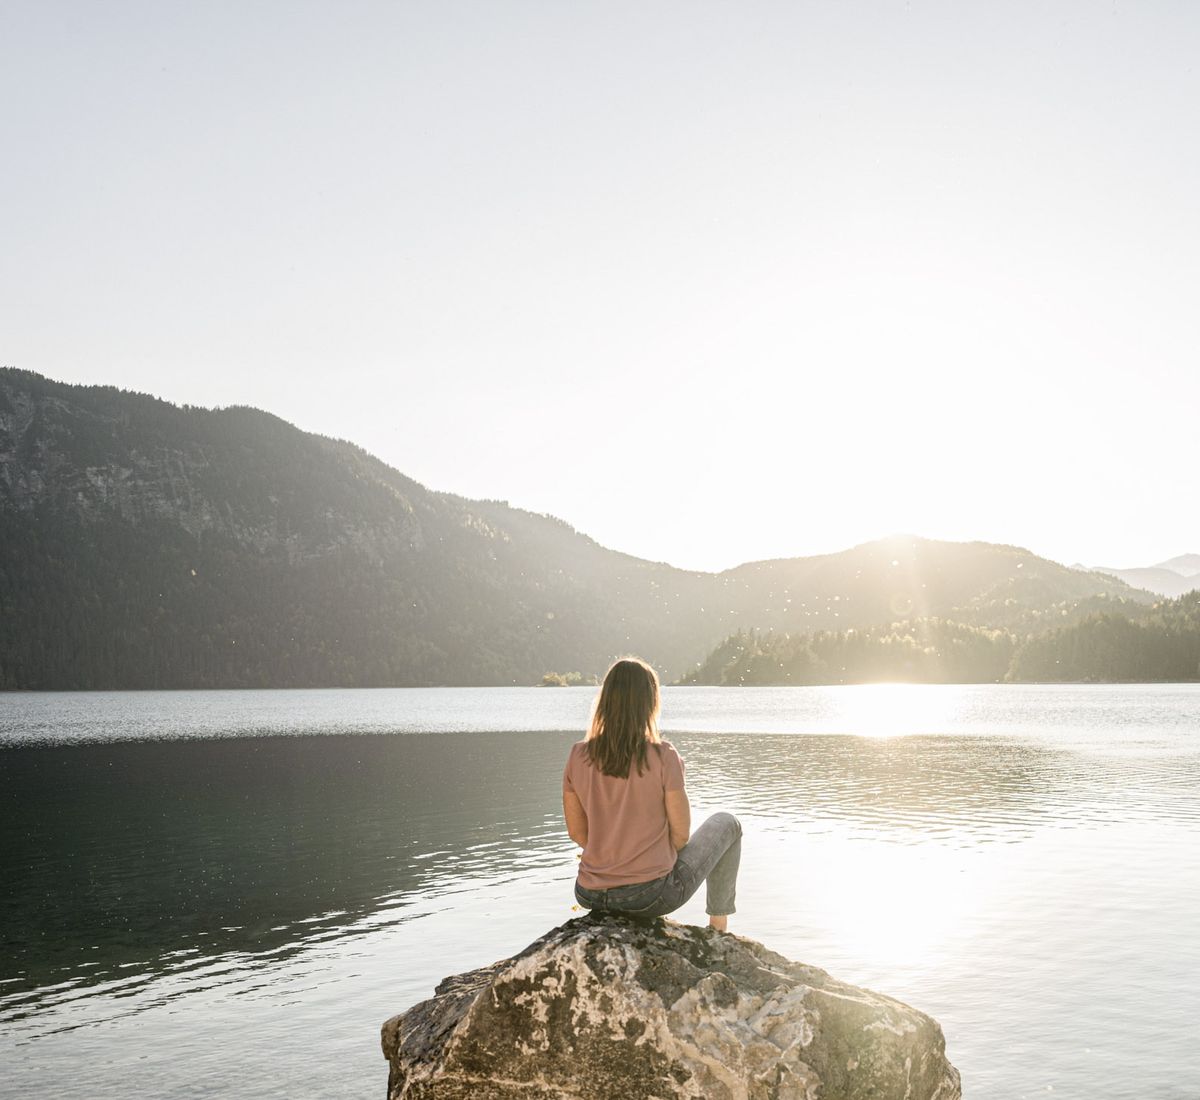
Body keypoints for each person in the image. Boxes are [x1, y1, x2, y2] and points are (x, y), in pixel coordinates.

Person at [562, 656, 742, 931]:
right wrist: (646, 858)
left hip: (590, 893)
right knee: (728, 823)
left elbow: (578, 833)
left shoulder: (578, 754)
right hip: (649, 895)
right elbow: (681, 836)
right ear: (650, 702)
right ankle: (718, 930)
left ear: (606, 701)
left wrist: (616, 856)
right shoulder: (663, 756)